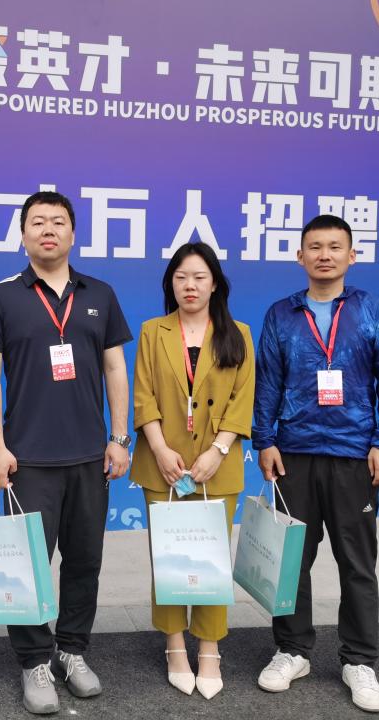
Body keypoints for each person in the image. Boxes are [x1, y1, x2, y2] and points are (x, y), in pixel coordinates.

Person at [0, 191, 132, 715]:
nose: (48, 230)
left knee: (84, 562)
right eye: (37, 222)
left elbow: (115, 367)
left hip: (89, 457)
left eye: (58, 222)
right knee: (28, 567)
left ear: (72, 234)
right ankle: (34, 660)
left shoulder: (100, 293)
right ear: (22, 235)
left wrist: (119, 437)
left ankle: (72, 650)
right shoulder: (1, 296)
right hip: (27, 459)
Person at [252, 214, 379, 713]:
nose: (324, 255)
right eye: (314, 247)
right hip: (293, 453)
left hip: (354, 454)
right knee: (291, 560)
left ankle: (359, 660)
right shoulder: (281, 313)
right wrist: (264, 439)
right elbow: (268, 381)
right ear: (300, 256)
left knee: (357, 563)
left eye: (335, 247)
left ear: (351, 255)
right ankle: (291, 650)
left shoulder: (373, 310)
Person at [130, 242, 255, 699]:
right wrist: (161, 449)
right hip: (163, 465)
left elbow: (242, 400)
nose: (190, 285)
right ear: (171, 284)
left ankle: (209, 648)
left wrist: (218, 451)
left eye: (199, 277)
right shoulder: (153, 331)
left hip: (215, 466)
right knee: (168, 557)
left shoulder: (238, 333)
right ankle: (175, 645)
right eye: (181, 277)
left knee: (209, 560)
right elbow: (143, 395)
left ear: (215, 283)